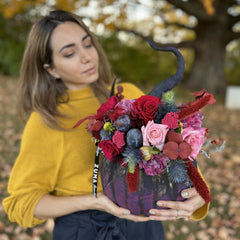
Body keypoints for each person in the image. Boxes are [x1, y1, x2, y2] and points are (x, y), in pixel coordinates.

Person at [3, 10, 209, 240]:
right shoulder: (47, 121)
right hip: (86, 230)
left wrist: (198, 192)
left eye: (88, 45)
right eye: (70, 53)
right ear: (50, 69)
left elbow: (173, 146)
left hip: (144, 228)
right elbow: (21, 203)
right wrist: (96, 200)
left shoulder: (129, 94)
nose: (86, 57)